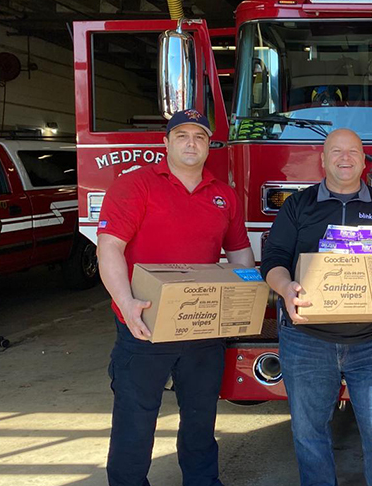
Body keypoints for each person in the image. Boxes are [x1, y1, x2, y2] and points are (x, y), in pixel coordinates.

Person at [260, 128, 372, 486]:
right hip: (307, 341)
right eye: (336, 151)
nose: (344, 158)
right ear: (322, 160)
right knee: (309, 434)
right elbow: (274, 260)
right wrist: (285, 286)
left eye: (352, 151)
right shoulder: (298, 205)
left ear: (363, 160)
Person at [97, 109, 255, 486]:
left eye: (199, 136)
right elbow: (109, 248)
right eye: (181, 135)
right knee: (135, 424)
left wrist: (248, 302)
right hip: (144, 327)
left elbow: (240, 256)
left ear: (209, 146)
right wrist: (127, 304)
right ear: (165, 143)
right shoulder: (135, 186)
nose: (191, 143)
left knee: (201, 423)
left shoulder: (223, 195)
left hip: (202, 330)